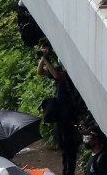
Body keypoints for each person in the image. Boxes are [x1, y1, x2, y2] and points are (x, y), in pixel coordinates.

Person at [37, 45, 82, 175]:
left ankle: (69, 171)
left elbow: (56, 75)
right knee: (63, 143)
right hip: (60, 113)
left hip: (69, 113)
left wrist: (45, 59)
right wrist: (42, 58)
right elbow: (40, 72)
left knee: (69, 144)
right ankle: (65, 169)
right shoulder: (59, 70)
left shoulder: (70, 74)